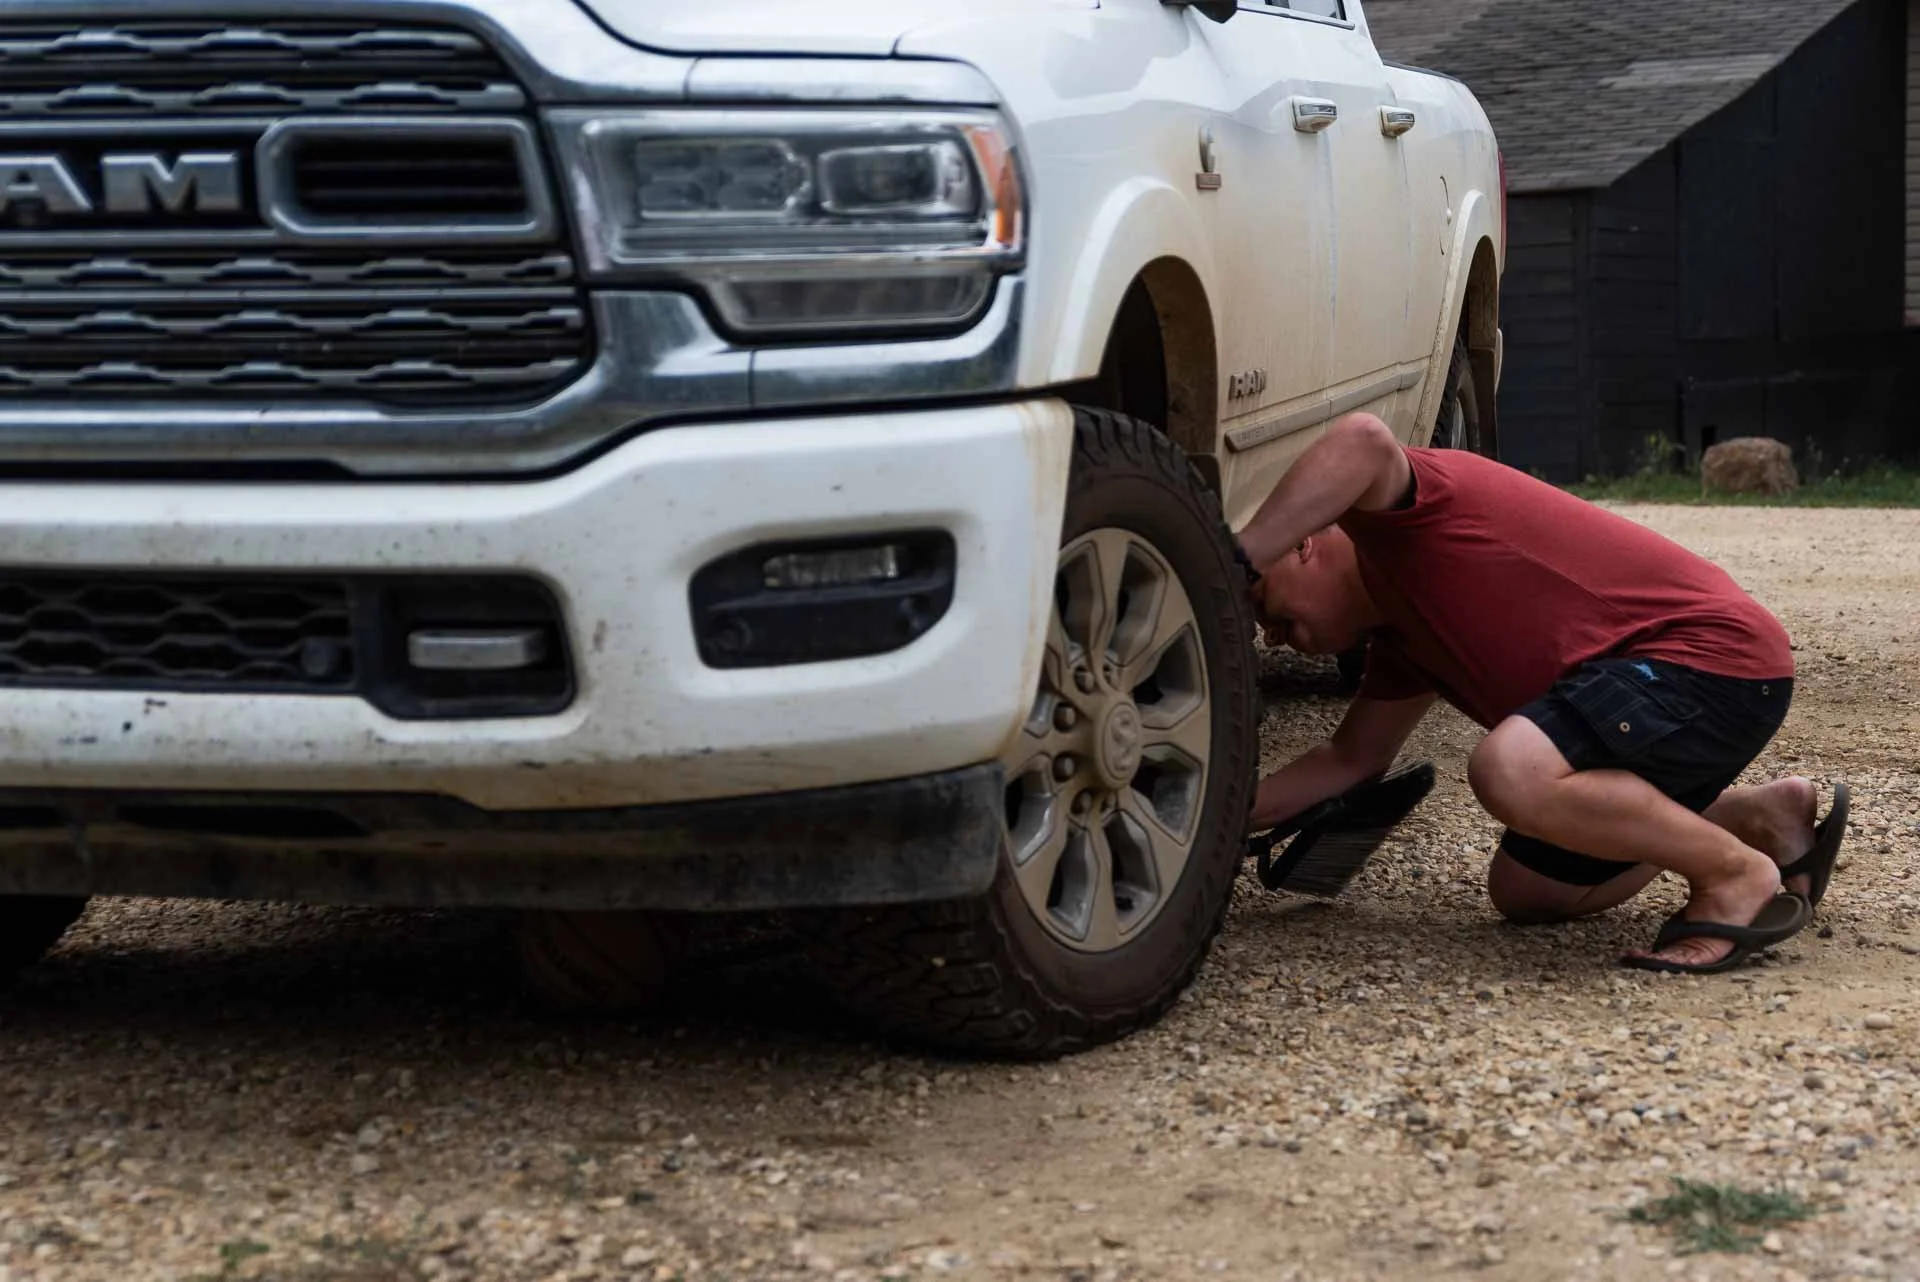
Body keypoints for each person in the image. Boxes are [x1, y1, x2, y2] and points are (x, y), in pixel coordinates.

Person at [1234, 413, 1847, 973]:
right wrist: (1219, 817)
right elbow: (1351, 759)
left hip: (1706, 658)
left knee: (1510, 766)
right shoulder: (1402, 639)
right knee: (1529, 891)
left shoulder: (1400, 515)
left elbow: (1364, 439)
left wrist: (1232, 564)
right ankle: (1752, 819)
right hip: (1678, 689)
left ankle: (1734, 874)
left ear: (1302, 543)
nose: (1275, 639)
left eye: (1267, 610)